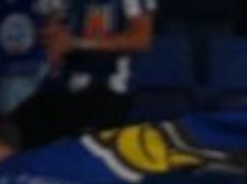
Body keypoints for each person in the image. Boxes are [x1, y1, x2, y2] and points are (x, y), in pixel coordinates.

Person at [12, 0, 155, 148]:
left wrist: (76, 43)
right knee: (15, 127)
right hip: (62, 86)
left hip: (108, 90)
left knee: (65, 136)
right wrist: (53, 37)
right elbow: (59, 24)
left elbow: (141, 39)